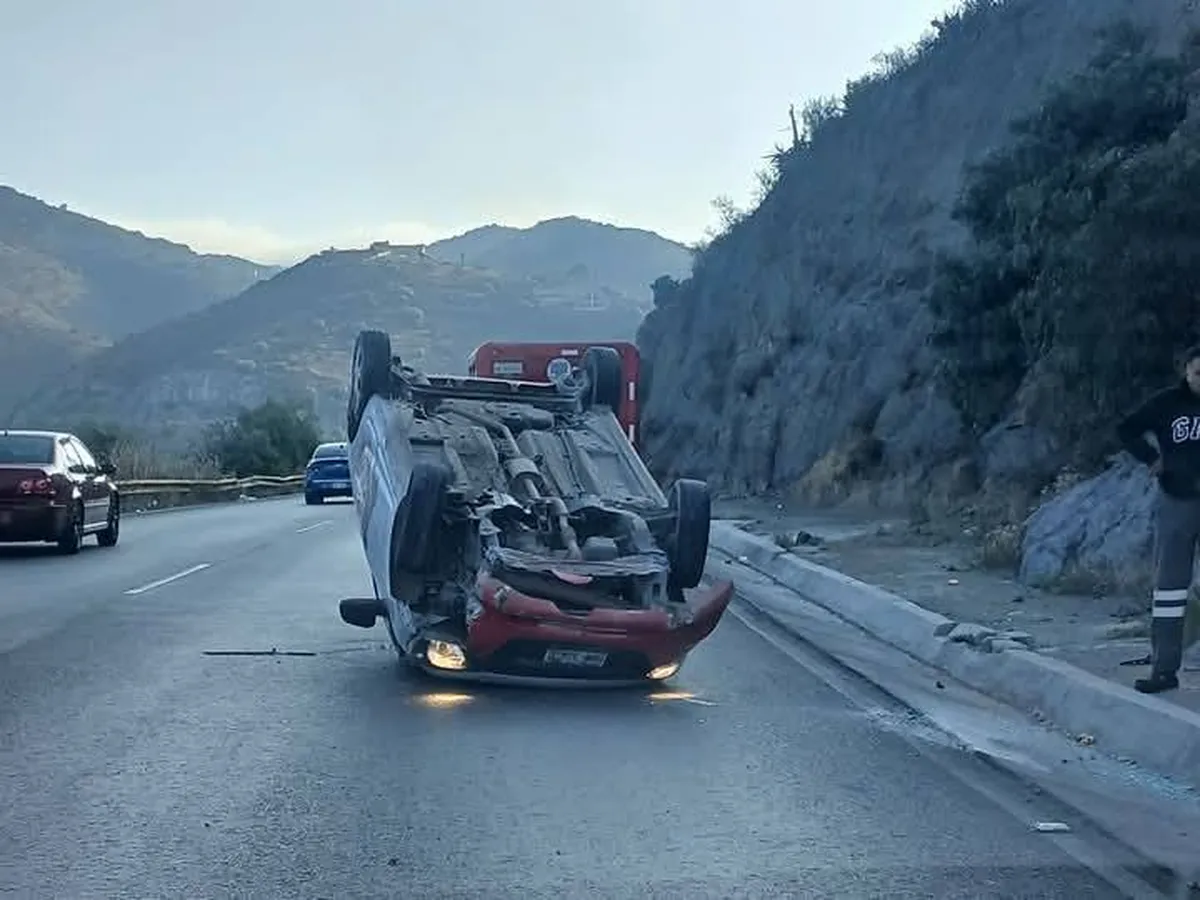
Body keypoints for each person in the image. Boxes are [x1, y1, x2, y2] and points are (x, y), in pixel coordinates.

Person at [1116, 345, 1200, 694]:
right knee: (1170, 589)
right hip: (1177, 499)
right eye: (1199, 373)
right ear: (1187, 372)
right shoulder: (1167, 403)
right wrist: (1151, 458)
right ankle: (1164, 669)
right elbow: (1127, 428)